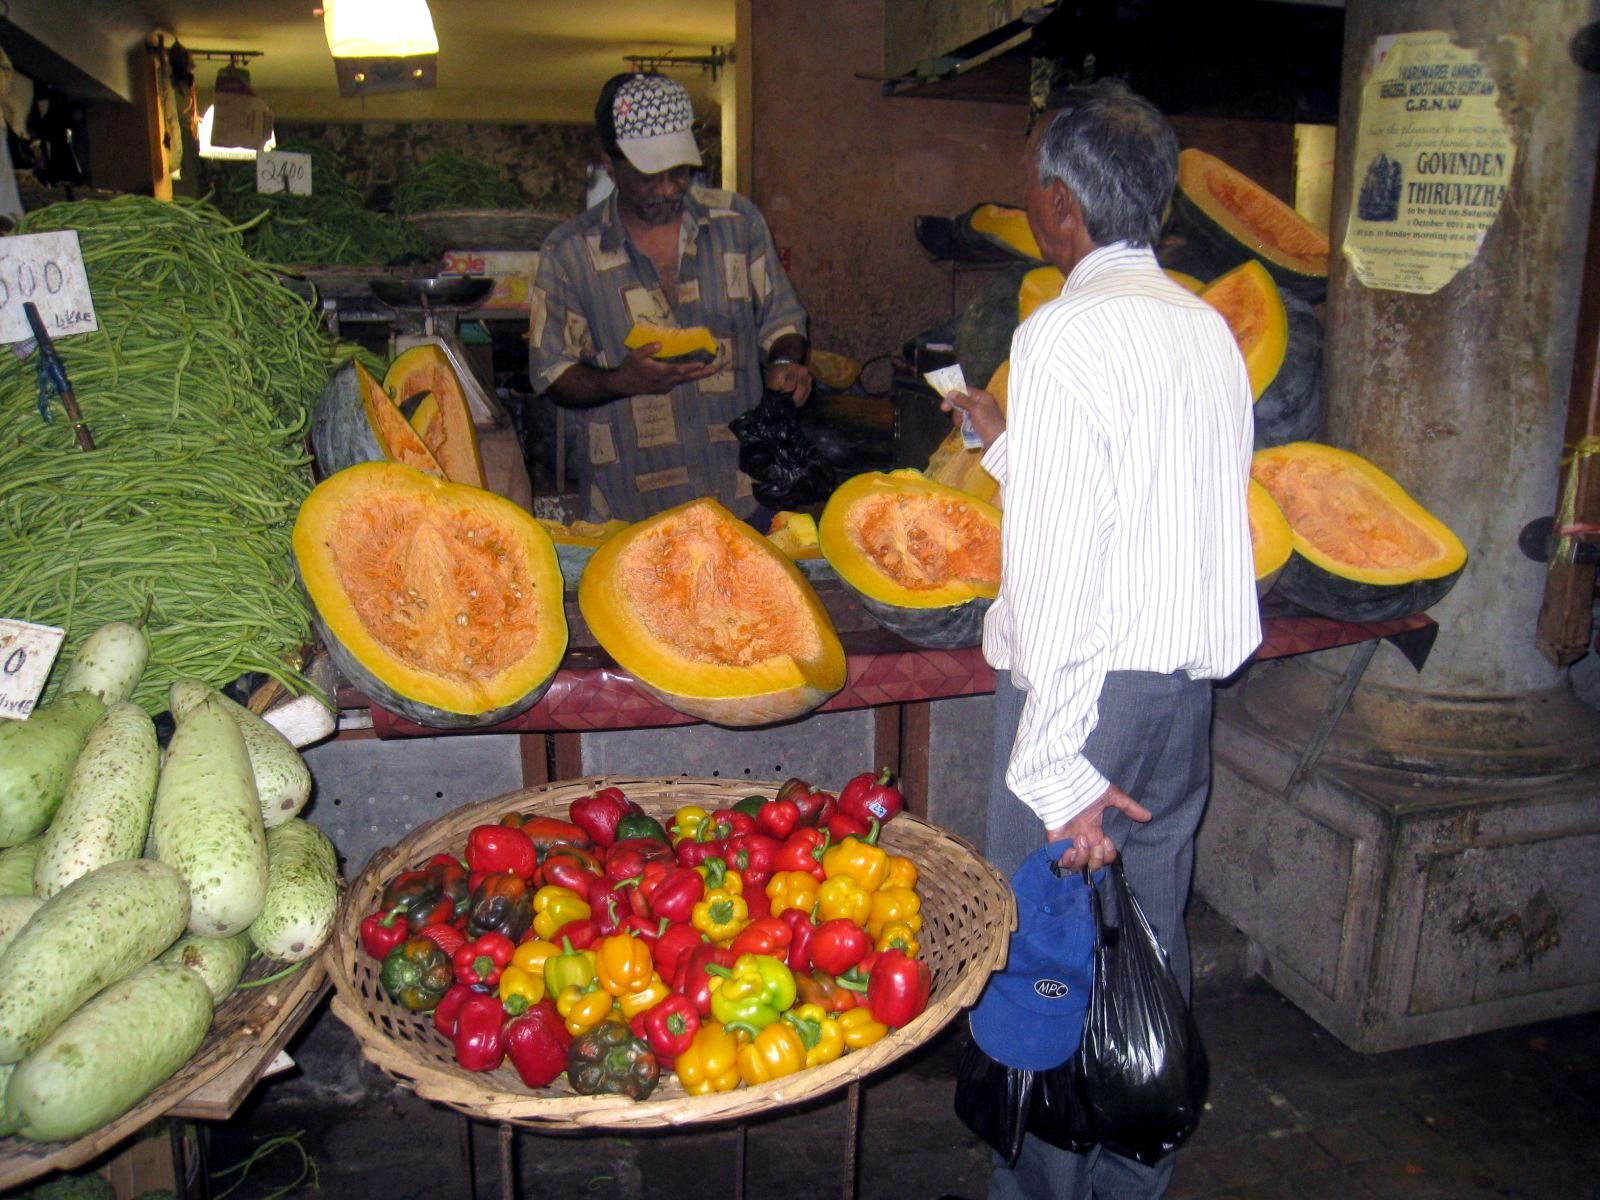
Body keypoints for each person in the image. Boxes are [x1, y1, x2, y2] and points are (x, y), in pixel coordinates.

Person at [943, 80, 1261, 1199]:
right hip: (1179, 702)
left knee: (1048, 966)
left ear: (1062, 206)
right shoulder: (1203, 331)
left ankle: (1038, 1190)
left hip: (1083, 705)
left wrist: (1056, 768)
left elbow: (1063, 573)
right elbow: (1147, 511)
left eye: (1034, 179)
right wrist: (1005, 442)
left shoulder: (1065, 331)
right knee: (1147, 954)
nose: (1028, 199)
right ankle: (1131, 1180)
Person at [528, 71, 812, 524]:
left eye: (678, 172)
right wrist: (621, 381)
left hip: (739, 496)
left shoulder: (738, 222)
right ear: (610, 165)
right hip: (628, 507)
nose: (667, 189)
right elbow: (552, 374)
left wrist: (784, 364)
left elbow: (782, 319)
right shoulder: (568, 254)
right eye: (648, 176)